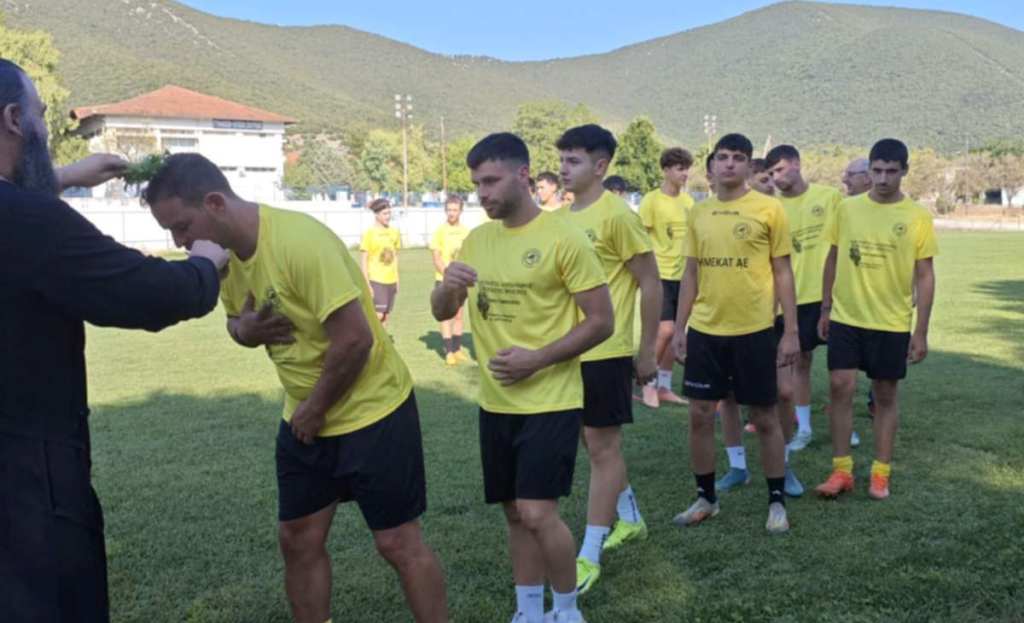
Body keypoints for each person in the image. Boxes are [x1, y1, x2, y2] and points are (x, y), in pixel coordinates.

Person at [145, 154, 448, 623]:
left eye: (182, 227)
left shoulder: (299, 242)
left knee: (397, 543)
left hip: (374, 409)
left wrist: (315, 408)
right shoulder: (222, 259)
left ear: (215, 203)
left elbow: (356, 339)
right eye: (171, 232)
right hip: (305, 417)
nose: (180, 242)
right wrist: (244, 332)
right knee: (298, 539)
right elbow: (235, 322)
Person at [0, 58, 227, 623]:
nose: (45, 130)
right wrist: (204, 263)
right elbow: (144, 293)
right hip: (26, 488)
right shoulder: (31, 223)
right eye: (41, 116)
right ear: (13, 120)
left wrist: (66, 176)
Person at [432, 132, 613, 623]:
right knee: (514, 512)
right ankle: (529, 611)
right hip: (495, 402)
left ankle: (568, 610)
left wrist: (538, 358)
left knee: (537, 512)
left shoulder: (563, 237)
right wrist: (447, 288)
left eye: (491, 181)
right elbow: (443, 311)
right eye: (476, 183)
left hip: (550, 400)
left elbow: (602, 321)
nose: (482, 193)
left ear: (523, 174)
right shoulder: (477, 239)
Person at [671, 133, 799, 534]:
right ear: (711, 165)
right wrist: (679, 327)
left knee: (764, 416)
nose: (729, 164)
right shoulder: (698, 212)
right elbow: (690, 273)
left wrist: (791, 331)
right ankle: (706, 499)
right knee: (699, 414)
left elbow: (783, 272)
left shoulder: (769, 209)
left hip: (755, 330)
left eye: (738, 157)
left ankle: (776, 502)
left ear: (748, 166)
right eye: (723, 157)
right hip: (706, 331)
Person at [556, 125, 660, 594]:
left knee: (602, 448)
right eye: (562, 159)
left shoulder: (618, 216)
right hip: (569, 350)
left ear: (600, 167)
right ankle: (630, 517)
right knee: (594, 444)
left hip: (607, 350)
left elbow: (650, 282)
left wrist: (646, 350)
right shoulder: (560, 218)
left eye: (574, 160)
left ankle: (589, 554)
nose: (564, 168)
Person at [815, 139, 937, 501]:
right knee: (840, 386)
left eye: (891, 171)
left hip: (890, 321)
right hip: (846, 316)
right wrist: (825, 308)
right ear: (868, 170)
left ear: (904, 171)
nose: (883, 179)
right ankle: (841, 471)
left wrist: (921, 331)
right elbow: (832, 258)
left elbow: (925, 276)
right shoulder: (847, 209)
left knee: (884, 394)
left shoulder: (917, 216)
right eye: (877, 170)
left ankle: (880, 474)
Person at [766, 145, 848, 465]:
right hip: (792, 298)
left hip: (831, 294)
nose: (776, 177)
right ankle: (804, 427)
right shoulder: (772, 208)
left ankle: (844, 424)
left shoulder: (829, 197)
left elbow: (844, 243)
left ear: (797, 164)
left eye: (780, 169)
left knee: (841, 366)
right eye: (771, 173)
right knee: (800, 361)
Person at [636, 147, 695, 408]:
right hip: (660, 274)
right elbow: (640, 238)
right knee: (665, 330)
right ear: (666, 170)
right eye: (680, 168)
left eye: (687, 168)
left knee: (676, 333)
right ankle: (646, 383)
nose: (685, 174)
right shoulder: (651, 201)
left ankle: (664, 387)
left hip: (684, 276)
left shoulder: (689, 203)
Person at [430, 194, 472, 365]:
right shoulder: (440, 231)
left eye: (455, 210)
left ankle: (457, 349)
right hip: (444, 280)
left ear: (461, 211)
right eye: (449, 210)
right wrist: (448, 275)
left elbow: (468, 255)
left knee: (459, 315)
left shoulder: (466, 232)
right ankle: (448, 352)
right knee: (446, 315)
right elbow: (436, 257)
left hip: (461, 281)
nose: (451, 213)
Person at [361, 198, 401, 327]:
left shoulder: (394, 232)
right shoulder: (369, 233)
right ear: (376, 214)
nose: (388, 216)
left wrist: (397, 279)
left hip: (391, 280)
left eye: (389, 213)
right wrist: (367, 283)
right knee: (378, 314)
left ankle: (382, 339)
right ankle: (369, 337)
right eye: (384, 213)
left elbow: (395, 257)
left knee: (386, 315)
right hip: (376, 279)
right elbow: (364, 260)